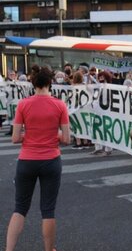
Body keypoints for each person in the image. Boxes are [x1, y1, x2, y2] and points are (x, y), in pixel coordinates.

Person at [5, 65, 70, 251]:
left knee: (20, 208)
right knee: (48, 210)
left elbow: (15, 138)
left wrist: (33, 135)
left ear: (33, 83)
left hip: (27, 160)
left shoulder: (23, 104)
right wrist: (51, 135)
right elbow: (66, 139)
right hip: (51, 160)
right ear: (51, 82)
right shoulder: (60, 105)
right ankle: (49, 249)